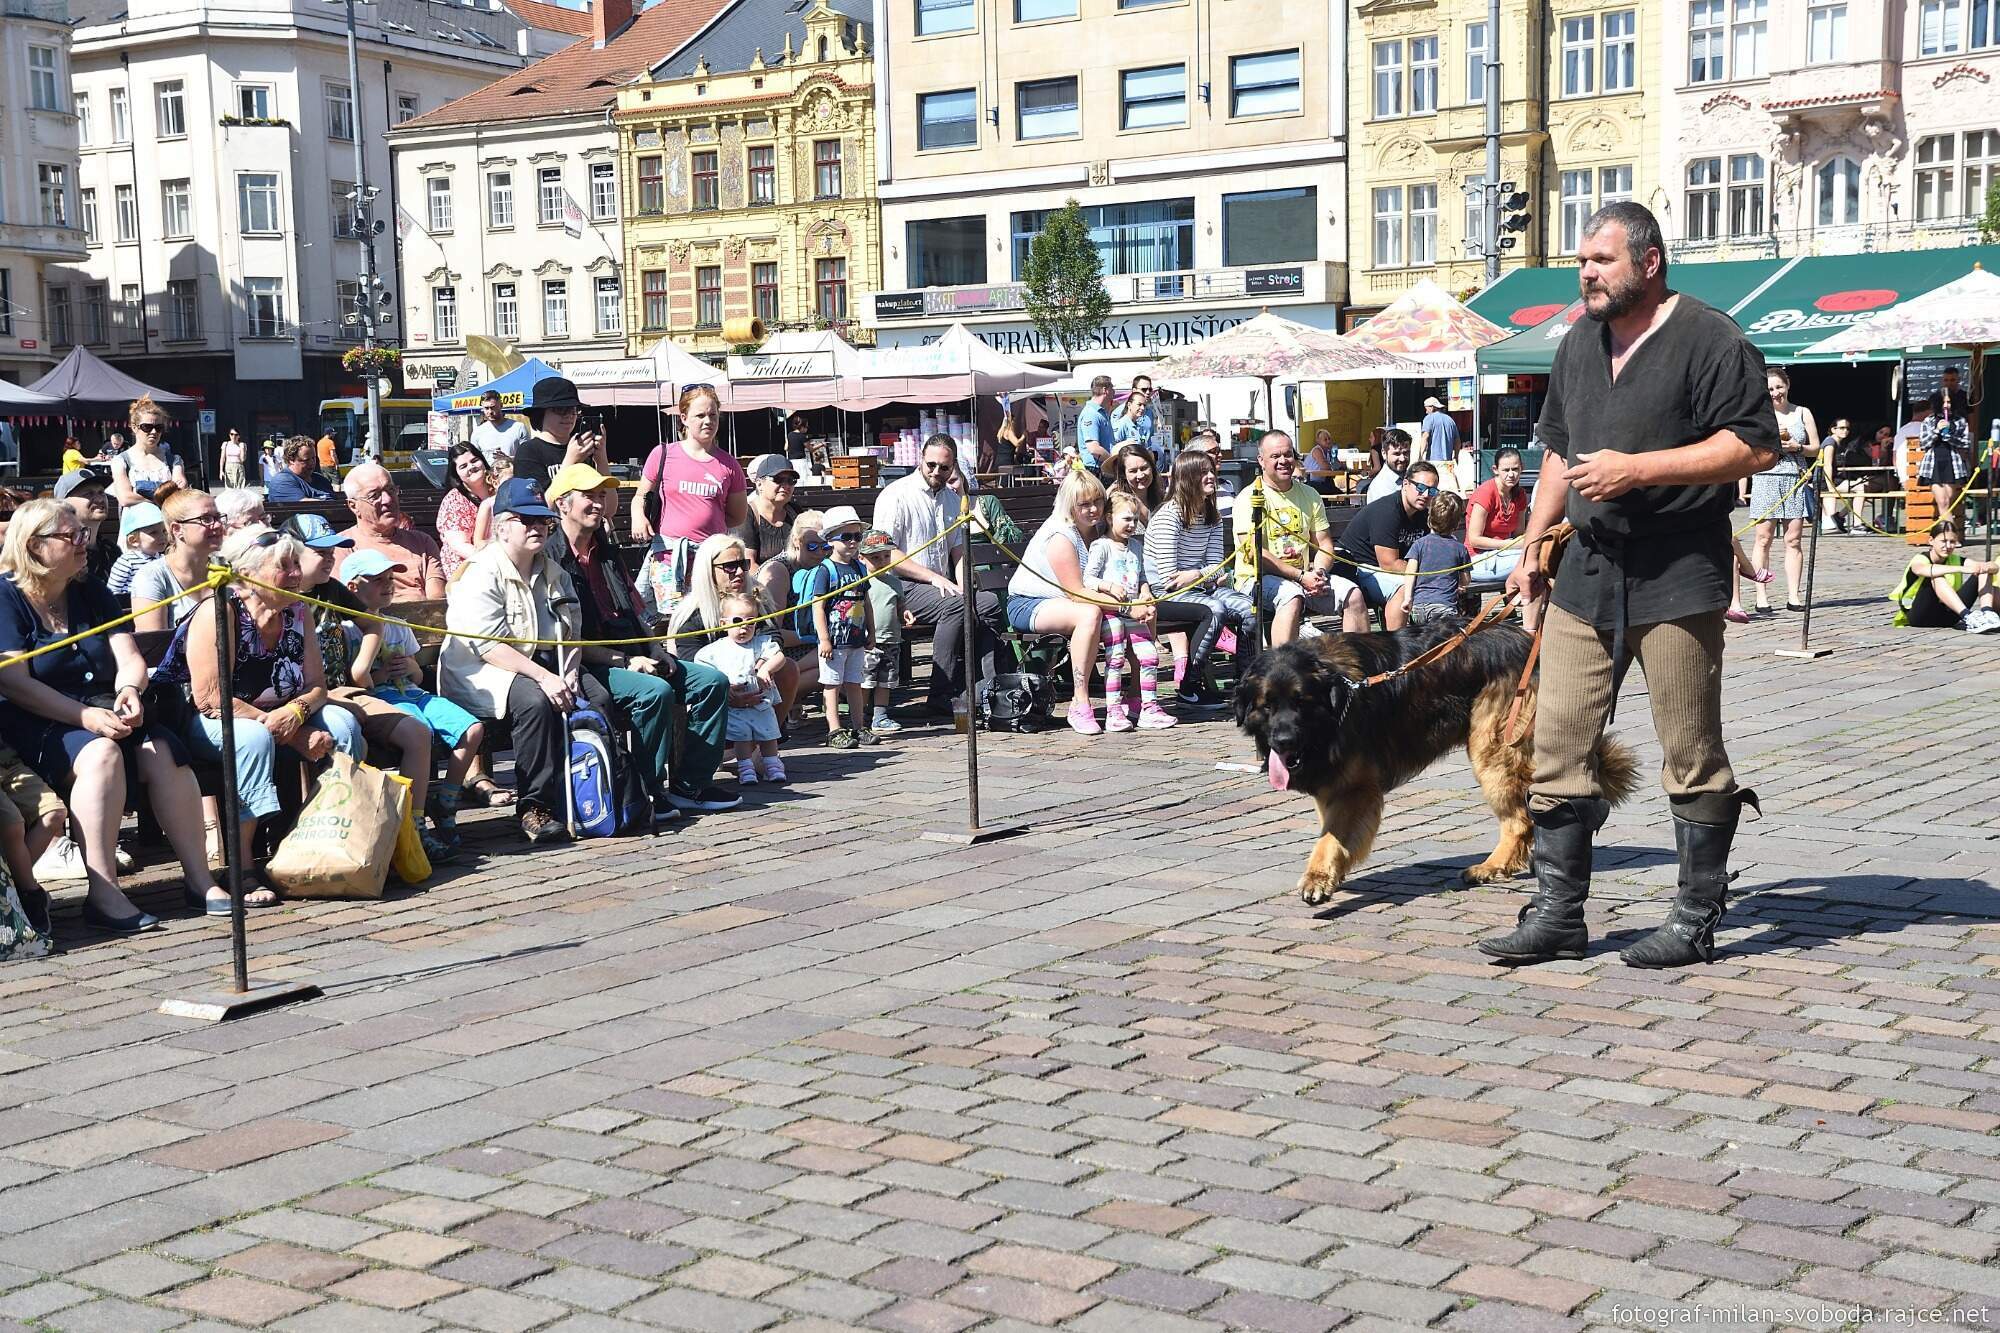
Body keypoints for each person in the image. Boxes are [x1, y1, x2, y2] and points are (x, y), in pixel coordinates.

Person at [1478, 201, 1775, 971]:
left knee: (1691, 750)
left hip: (1677, 573)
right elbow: (1557, 452)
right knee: (1557, 744)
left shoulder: (1710, 337)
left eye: (1601, 260)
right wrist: (1533, 542)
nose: (1586, 273)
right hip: (1585, 573)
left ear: (1649, 262)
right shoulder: (1578, 340)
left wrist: (1639, 470)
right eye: (1582, 261)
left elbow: (1753, 446)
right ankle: (1558, 916)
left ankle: (1693, 919)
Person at [0, 499, 222, 931]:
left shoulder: (89, 589)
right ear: (34, 545)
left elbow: (129, 655)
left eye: (83, 533)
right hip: (36, 720)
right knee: (101, 754)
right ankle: (104, 893)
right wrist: (84, 717)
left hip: (105, 708)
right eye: (71, 536)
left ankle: (200, 881)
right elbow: (13, 681)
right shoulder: (6, 597)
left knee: (163, 751)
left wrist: (129, 690)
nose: (83, 543)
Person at [152, 526, 368, 906]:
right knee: (253, 739)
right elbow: (211, 698)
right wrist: (292, 733)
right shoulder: (220, 610)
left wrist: (297, 711)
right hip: (210, 720)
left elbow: (317, 686)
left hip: (281, 714)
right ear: (248, 572)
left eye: (296, 564)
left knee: (343, 725)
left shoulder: (298, 610)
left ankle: (336, 843)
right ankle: (242, 865)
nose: (297, 574)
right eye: (285, 566)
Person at [543, 463, 736, 817]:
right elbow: (568, 639)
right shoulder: (550, 559)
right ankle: (646, 792)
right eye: (588, 496)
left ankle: (691, 785)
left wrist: (656, 648)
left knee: (712, 683)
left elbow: (635, 610)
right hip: (588, 664)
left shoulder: (607, 551)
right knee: (654, 692)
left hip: (633, 652)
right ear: (562, 504)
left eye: (601, 495)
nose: (598, 503)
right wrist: (626, 661)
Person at [443, 478, 608, 843]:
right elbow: (488, 647)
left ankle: (598, 796)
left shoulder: (553, 572)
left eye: (543, 521)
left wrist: (569, 673)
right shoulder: (480, 571)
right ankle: (535, 807)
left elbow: (571, 632)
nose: (538, 527)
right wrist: (547, 678)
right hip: (481, 672)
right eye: (526, 520)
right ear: (502, 527)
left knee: (596, 696)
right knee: (535, 701)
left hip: (538, 665)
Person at [338, 549, 482, 857]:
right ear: (352, 587)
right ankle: (415, 821)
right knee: (420, 731)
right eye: (378, 580)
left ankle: (446, 801)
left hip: (413, 694)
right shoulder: (347, 630)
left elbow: (417, 676)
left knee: (472, 730)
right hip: (380, 698)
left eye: (390, 578)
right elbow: (355, 680)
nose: (388, 585)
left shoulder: (397, 624)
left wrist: (409, 667)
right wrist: (381, 674)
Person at [871, 436, 1003, 717]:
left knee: (988, 603)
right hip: (898, 585)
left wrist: (964, 587)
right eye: (931, 464)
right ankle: (941, 692)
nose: (936, 472)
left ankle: (985, 687)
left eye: (944, 467)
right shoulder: (896, 495)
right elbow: (886, 554)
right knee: (956, 604)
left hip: (937, 587)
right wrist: (935, 579)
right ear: (921, 458)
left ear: (953, 466)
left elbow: (959, 552)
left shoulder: (953, 500)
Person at [1143, 451, 1255, 712]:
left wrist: (1196, 574)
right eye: (1203, 472)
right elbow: (1170, 579)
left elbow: (1218, 566)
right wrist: (1203, 575)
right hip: (1165, 595)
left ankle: (1247, 683)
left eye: (1211, 471)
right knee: (1214, 610)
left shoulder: (1211, 515)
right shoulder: (1169, 517)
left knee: (1249, 609)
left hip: (1200, 587)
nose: (1211, 476)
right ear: (1187, 478)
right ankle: (1189, 687)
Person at [1234, 431, 1367, 645]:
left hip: (1305, 576)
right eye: (1275, 456)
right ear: (1261, 460)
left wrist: (1320, 572)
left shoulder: (1310, 495)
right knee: (1291, 596)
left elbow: (1324, 544)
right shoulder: (1249, 498)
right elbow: (1254, 553)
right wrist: (1300, 576)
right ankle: (1283, 665)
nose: (1283, 461)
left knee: (1353, 594)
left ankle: (1355, 662)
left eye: (1288, 454)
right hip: (1256, 579)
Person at [668, 533, 813, 726]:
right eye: (729, 566)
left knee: (787, 668)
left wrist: (763, 663)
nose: (739, 572)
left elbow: (772, 636)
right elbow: (691, 662)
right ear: (709, 570)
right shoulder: (691, 614)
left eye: (743, 564)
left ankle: (771, 732)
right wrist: (725, 688)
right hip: (713, 685)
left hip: (755, 676)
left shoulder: (757, 597)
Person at [1007, 468, 1110, 734]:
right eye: (1084, 504)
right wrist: (1126, 607)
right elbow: (1076, 593)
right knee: (1089, 614)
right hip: (1029, 603)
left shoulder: (1097, 529)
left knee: (1113, 617)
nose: (1093, 509)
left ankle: (1136, 697)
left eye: (1097, 501)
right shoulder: (1061, 535)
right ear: (1070, 505)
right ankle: (1080, 701)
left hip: (1067, 603)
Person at [632, 385, 748, 599]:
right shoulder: (663, 454)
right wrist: (639, 518)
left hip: (712, 560)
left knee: (710, 615)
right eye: (700, 415)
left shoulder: (729, 465)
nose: (708, 421)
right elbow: (640, 496)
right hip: (668, 556)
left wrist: (707, 526)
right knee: (670, 617)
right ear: (684, 418)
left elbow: (737, 516)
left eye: (713, 415)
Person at [1084, 492, 1177, 731]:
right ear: (1109, 518)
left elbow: (1142, 577)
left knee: (1149, 656)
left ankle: (1149, 706)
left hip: (1135, 611)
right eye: (1126, 519)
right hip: (1113, 612)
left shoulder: (1136, 546)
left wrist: (1145, 593)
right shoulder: (1101, 546)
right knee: (1115, 658)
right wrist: (1109, 586)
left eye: (1135, 520)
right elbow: (1089, 579)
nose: (1132, 524)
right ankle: (1113, 710)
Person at [1336, 460, 1440, 631]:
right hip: (1359, 568)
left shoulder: (1423, 515)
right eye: (1421, 487)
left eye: (1432, 490)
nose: (1426, 494)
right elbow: (1389, 563)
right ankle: (1396, 643)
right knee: (1403, 587)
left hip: (1386, 571)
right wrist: (1429, 574)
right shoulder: (1388, 511)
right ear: (1405, 484)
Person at [800, 505, 873, 748]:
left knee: (855, 683)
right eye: (846, 536)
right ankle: (834, 729)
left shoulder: (859, 567)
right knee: (832, 685)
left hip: (856, 637)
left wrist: (871, 631)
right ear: (830, 540)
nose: (853, 542)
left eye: (857, 536)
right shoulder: (826, 570)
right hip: (835, 640)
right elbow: (818, 606)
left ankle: (858, 726)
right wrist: (824, 639)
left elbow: (866, 602)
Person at [695, 594, 788, 784]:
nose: (744, 627)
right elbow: (702, 664)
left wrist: (766, 668)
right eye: (737, 621)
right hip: (735, 705)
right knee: (742, 737)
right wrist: (723, 685)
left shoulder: (762, 643)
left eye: (750, 622)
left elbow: (780, 657)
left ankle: (772, 766)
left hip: (762, 701)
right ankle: (745, 768)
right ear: (723, 623)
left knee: (769, 735)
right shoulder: (715, 650)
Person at [1748, 367, 1817, 613]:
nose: (1775, 392)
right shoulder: (1758, 415)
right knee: (1763, 538)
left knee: (1793, 539)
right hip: (1766, 478)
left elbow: (1816, 448)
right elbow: (1748, 448)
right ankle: (1761, 596)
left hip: (1794, 479)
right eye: (1770, 389)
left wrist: (1798, 447)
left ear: (1787, 386)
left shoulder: (1802, 412)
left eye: (1779, 387)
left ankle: (1793, 596)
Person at [338, 462, 446, 602]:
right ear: (353, 506)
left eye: (390, 490)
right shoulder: (343, 546)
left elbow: (436, 601)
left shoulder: (422, 542)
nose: (388, 500)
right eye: (374, 495)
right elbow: (346, 603)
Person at [132, 489, 226, 631]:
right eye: (206, 519)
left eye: (218, 517)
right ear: (177, 529)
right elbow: (154, 642)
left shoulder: (226, 571)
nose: (218, 525)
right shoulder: (152, 576)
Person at [1892, 519, 2000, 633]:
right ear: (1931, 541)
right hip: (1919, 616)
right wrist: (1962, 569)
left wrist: (1987, 567)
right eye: (1943, 541)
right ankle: (1968, 616)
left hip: (1949, 616)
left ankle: (1987, 614)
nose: (1948, 546)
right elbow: (1922, 569)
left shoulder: (1956, 559)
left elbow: (1994, 567)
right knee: (1936, 576)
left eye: (1952, 542)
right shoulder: (1920, 559)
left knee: (1983, 570)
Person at [1391, 491, 1471, 627]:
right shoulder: (1459, 549)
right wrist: (1460, 584)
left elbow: (1410, 573)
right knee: (1450, 639)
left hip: (1419, 608)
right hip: (1444, 608)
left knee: (1423, 639)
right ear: (1457, 524)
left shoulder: (1419, 544)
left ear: (1429, 518)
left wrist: (1408, 599)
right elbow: (1466, 579)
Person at [513, 377, 609, 486]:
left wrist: (601, 458)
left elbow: (609, 497)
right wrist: (570, 461)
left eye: (574, 410)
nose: (569, 416)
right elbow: (542, 497)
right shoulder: (529, 451)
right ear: (540, 413)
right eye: (561, 410)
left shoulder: (582, 447)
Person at [857, 529, 907, 736]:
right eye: (875, 558)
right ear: (861, 558)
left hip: (891, 640)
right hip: (868, 641)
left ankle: (880, 715)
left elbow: (899, 605)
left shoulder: (894, 582)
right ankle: (859, 716)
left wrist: (905, 614)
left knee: (886, 680)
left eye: (886, 556)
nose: (882, 561)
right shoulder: (861, 581)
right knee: (865, 681)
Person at [111, 396, 188, 506]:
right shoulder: (121, 461)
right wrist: (165, 496)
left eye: (159, 427)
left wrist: (138, 494)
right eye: (147, 427)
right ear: (134, 427)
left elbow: (180, 493)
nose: (154, 432)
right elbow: (125, 498)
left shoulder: (174, 460)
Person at [1466, 448, 1529, 582]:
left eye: (1515, 469)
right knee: (1534, 560)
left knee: (1542, 554)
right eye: (1506, 470)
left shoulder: (1520, 495)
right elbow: (1474, 540)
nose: (1511, 475)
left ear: (1521, 468)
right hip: (1478, 559)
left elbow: (1519, 534)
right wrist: (1509, 545)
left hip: (1505, 554)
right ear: (1495, 470)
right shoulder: (1486, 493)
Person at [437, 441, 495, 582]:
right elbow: (460, 546)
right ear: (456, 474)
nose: (471, 467)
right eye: (463, 466)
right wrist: (495, 562)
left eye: (474, 461)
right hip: (467, 570)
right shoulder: (454, 500)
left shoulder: (499, 488)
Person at [54, 465, 120, 587]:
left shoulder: (111, 551)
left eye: (101, 492)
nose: (99, 499)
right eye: (88, 494)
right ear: (63, 503)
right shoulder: (60, 553)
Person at [732, 454, 801, 568]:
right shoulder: (747, 514)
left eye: (791, 481)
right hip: (761, 577)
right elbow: (748, 564)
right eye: (778, 479)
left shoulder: (795, 512)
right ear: (759, 484)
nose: (786, 485)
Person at [1919, 390, 1974, 529]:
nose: (1946, 405)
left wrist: (1949, 435)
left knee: (1947, 502)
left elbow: (1965, 443)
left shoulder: (1960, 421)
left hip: (1953, 464)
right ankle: (1950, 535)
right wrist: (1937, 431)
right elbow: (1924, 443)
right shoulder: (1929, 421)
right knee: (1942, 502)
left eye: (1949, 402)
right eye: (1943, 402)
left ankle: (1944, 534)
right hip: (1933, 464)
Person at [107, 502, 166, 598]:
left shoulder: (163, 559)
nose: (162, 536)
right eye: (153, 532)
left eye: (164, 531)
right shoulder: (127, 562)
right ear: (134, 540)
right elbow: (112, 592)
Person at [265, 437, 336, 503]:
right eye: (306, 460)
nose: (312, 463)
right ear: (291, 460)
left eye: (313, 458)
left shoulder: (322, 480)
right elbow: (305, 505)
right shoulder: (281, 482)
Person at [472, 390, 528, 464]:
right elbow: (474, 460)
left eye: (493, 407)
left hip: (514, 470)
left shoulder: (518, 427)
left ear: (501, 405)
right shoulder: (477, 433)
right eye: (486, 408)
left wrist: (508, 459)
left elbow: (527, 457)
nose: (490, 412)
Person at [1105, 443, 1164, 513]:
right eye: (1133, 471)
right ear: (1123, 474)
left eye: (1144, 468)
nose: (1140, 475)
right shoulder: (1116, 504)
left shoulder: (1162, 499)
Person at [1075, 376, 1116, 471]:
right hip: (1095, 469)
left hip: (1101, 468)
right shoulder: (1091, 414)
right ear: (1105, 390)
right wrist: (1113, 462)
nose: (1114, 391)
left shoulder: (1100, 412)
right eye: (1112, 388)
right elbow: (1094, 449)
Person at [1365, 430, 1414, 503]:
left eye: (1406, 453)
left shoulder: (1412, 478)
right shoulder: (1379, 487)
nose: (1402, 458)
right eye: (1397, 454)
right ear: (1384, 453)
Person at [1420, 396, 1460, 465]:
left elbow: (1425, 436)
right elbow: (1457, 441)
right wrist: (1456, 456)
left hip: (1433, 462)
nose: (1426, 412)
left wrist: (1420, 456)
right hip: (1448, 462)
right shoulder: (1450, 420)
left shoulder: (1429, 418)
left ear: (1432, 407)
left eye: (1426, 409)